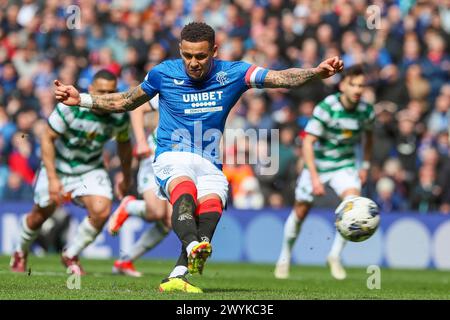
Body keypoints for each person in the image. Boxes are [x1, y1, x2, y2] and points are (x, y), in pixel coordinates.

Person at [54, 22, 343, 293]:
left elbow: (281, 78)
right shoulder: (163, 73)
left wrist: (315, 73)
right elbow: (126, 101)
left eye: (201, 56)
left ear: (214, 51)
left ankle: (179, 275)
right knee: (186, 195)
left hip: (210, 161)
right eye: (188, 55)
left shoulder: (233, 73)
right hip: (172, 154)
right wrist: (81, 98)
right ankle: (193, 244)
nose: (193, 62)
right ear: (181, 50)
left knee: (212, 209)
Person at [11, 70, 133, 275]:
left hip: (90, 168)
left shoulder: (119, 119)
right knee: (39, 218)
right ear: (91, 89)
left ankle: (71, 254)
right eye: (101, 91)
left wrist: (126, 176)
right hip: (58, 167)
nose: (104, 96)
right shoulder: (69, 109)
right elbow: (46, 138)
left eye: (110, 92)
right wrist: (52, 179)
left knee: (102, 209)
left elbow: (124, 145)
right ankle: (20, 251)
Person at [274, 65, 374, 280]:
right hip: (317, 164)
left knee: (353, 204)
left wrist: (364, 166)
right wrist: (315, 178)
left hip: (344, 165)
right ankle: (285, 256)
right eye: (353, 85)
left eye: (361, 86)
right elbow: (308, 143)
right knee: (301, 211)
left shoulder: (366, 111)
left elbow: (368, 139)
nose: (358, 90)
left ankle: (335, 256)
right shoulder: (327, 108)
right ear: (343, 85)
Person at [109, 96, 172, 277]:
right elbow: (138, 109)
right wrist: (141, 142)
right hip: (154, 158)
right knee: (156, 213)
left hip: (178, 162)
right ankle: (128, 205)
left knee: (169, 221)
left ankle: (125, 261)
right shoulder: (176, 86)